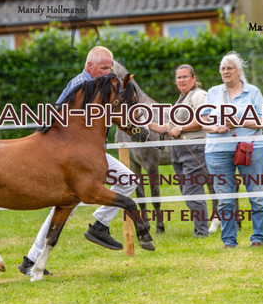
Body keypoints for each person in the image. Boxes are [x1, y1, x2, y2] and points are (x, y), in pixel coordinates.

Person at [18, 46, 138, 276]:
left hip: (94, 157)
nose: (108, 72)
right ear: (89, 66)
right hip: (74, 160)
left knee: (128, 180)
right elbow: (55, 117)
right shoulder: (80, 85)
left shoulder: (104, 87)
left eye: (110, 68)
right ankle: (31, 261)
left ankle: (99, 225)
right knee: (65, 207)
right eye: (103, 68)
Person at [200, 51, 263, 249]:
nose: (225, 71)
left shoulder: (253, 92)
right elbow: (203, 119)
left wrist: (239, 122)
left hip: (251, 149)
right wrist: (215, 128)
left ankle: (258, 238)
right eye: (222, 68)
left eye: (229, 68)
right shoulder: (213, 92)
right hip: (217, 150)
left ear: (239, 70)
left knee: (256, 195)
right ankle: (229, 240)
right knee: (224, 198)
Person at [148, 64, 210, 237]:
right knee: (186, 191)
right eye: (178, 77)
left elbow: (204, 119)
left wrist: (181, 129)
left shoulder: (199, 95)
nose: (181, 80)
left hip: (195, 148)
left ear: (193, 78)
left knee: (192, 191)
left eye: (185, 77)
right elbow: (167, 127)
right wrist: (143, 123)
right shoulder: (181, 100)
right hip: (178, 150)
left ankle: (202, 232)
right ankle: (201, 228)